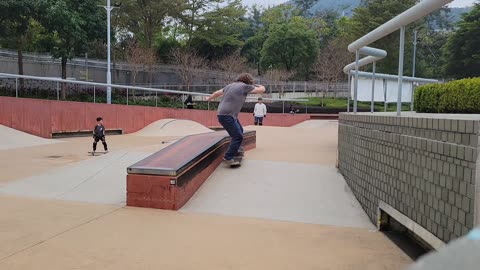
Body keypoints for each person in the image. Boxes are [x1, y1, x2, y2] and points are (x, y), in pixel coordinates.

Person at [207, 73, 265, 166]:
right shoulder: (244, 86)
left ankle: (237, 150)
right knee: (238, 136)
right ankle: (228, 157)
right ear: (248, 82)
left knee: (240, 130)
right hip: (227, 116)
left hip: (225, 114)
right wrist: (260, 86)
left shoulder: (230, 85)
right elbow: (261, 90)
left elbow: (217, 93)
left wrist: (209, 98)